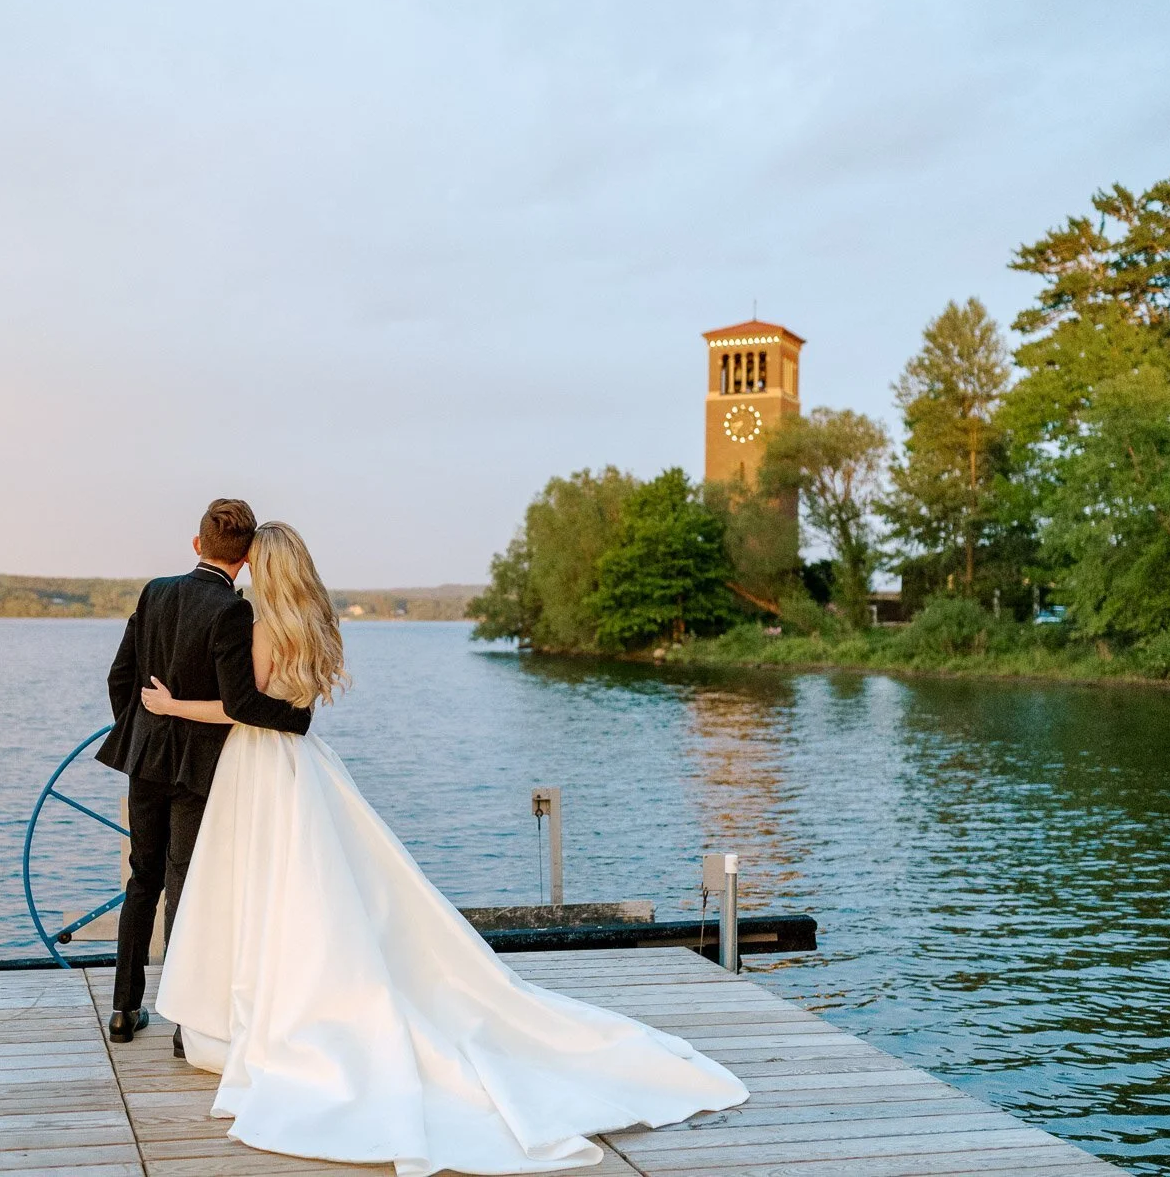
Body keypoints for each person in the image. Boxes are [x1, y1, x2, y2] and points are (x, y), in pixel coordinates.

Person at [141, 522, 750, 1177]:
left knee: (261, 886)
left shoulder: (255, 624)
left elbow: (242, 709)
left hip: (258, 767)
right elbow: (297, 712)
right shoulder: (314, 622)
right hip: (305, 766)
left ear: (267, 568)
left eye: (256, 564)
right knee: (310, 887)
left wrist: (174, 705)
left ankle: (265, 1010)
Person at [94, 498, 312, 1047]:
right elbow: (240, 702)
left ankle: (123, 1010)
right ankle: (182, 1023)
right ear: (245, 559)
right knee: (184, 884)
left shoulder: (155, 591)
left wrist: (138, 731)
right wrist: (296, 718)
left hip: (144, 761)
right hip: (198, 767)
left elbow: (120, 677)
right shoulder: (232, 611)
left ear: (198, 544)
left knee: (141, 879)